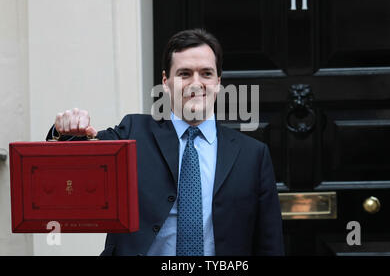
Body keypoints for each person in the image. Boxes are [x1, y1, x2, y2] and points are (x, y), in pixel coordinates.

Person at [46, 28, 284, 256]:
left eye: (206, 73)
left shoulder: (253, 155)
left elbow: (269, 243)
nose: (196, 83)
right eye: (184, 73)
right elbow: (72, 164)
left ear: (219, 82)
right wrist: (66, 130)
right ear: (165, 81)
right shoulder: (132, 133)